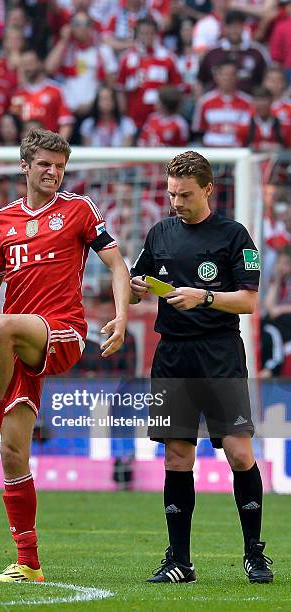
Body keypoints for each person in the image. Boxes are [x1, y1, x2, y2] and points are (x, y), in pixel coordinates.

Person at [0, 128, 130, 583]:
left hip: (62, 332)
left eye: (60, 165)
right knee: (13, 454)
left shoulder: (78, 210)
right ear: (24, 166)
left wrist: (122, 316)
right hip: (17, 350)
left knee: (4, 324)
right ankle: (28, 562)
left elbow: (117, 265)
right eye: (44, 164)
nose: (53, 172)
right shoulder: (3, 221)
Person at [130, 150, 274, 584]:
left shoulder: (234, 236)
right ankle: (179, 561)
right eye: (171, 194)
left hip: (219, 353)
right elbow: (137, 285)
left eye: (185, 195)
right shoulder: (159, 234)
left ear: (208, 190)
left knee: (238, 451)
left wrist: (204, 296)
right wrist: (135, 289)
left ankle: (254, 553)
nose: (176, 202)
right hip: (173, 354)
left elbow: (248, 301)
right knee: (177, 455)